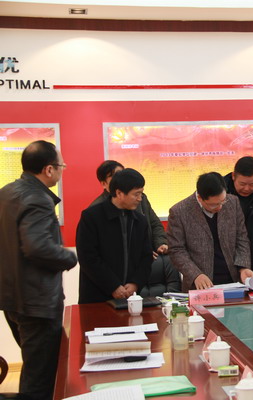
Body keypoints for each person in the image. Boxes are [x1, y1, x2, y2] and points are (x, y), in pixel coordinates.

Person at [0, 140, 78, 400]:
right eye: (61, 166)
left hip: (12, 299)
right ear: (48, 169)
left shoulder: (7, 192)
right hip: (37, 303)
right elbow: (37, 247)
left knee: (35, 367)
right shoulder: (39, 199)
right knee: (41, 379)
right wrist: (69, 257)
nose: (62, 171)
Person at [77, 168, 153, 304]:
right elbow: (88, 257)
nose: (140, 199)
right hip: (97, 297)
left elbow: (146, 257)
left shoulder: (140, 221)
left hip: (131, 297)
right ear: (119, 193)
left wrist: (135, 283)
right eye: (136, 194)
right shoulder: (91, 217)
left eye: (141, 193)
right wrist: (113, 286)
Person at [168, 172, 253, 290]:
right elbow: (176, 250)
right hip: (200, 285)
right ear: (200, 198)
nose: (220, 207)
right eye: (214, 205)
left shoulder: (233, 202)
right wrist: (195, 274)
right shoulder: (179, 212)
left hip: (233, 281)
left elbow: (241, 238)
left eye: (222, 201)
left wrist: (243, 267)